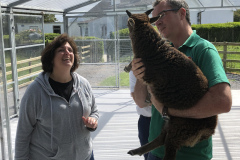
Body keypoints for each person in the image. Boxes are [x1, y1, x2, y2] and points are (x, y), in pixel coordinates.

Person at [132, 0, 232, 160]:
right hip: (156, 152)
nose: (156, 21)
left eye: (161, 15)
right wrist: (140, 77)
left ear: (181, 13)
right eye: (154, 18)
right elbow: (141, 102)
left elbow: (223, 102)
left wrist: (168, 111)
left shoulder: (203, 50)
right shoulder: (160, 51)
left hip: (190, 155)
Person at [15, 33, 99, 160]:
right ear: (51, 58)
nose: (67, 52)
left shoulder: (83, 84)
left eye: (70, 50)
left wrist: (92, 121)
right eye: (61, 50)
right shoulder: (35, 91)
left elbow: (94, 111)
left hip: (85, 156)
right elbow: (23, 133)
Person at [129, 70, 152, 160]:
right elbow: (139, 101)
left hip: (165, 119)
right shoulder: (135, 71)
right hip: (146, 120)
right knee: (148, 156)